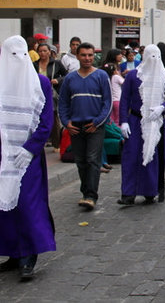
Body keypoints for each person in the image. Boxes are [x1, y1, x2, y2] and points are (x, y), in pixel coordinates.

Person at [0, 35, 56, 280]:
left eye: (22, 54)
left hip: (28, 155)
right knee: (1, 204)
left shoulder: (40, 83)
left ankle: (29, 253)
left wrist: (30, 148)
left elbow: (45, 121)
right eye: (12, 55)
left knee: (28, 202)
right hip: (0, 152)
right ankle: (12, 252)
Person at [118, 45, 165, 205]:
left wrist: (162, 108)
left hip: (155, 122)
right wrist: (123, 121)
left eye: (156, 56)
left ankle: (150, 191)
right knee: (131, 156)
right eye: (150, 56)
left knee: (153, 157)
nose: (153, 60)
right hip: (136, 121)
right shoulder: (133, 76)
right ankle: (128, 192)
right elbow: (124, 99)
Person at [58, 42, 112, 211]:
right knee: (80, 161)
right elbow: (63, 102)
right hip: (75, 126)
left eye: (90, 55)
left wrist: (97, 122)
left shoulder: (101, 76)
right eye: (84, 55)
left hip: (95, 126)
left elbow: (107, 103)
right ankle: (85, 191)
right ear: (78, 56)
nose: (87, 58)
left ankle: (90, 195)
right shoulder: (70, 78)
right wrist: (66, 122)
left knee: (92, 160)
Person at [33, 43, 68, 150]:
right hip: (37, 94)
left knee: (53, 117)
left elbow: (66, 75)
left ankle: (56, 143)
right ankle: (39, 141)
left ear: (49, 52)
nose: (43, 53)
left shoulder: (56, 63)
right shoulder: (34, 64)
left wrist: (58, 80)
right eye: (40, 51)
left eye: (45, 51)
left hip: (51, 94)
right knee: (37, 118)